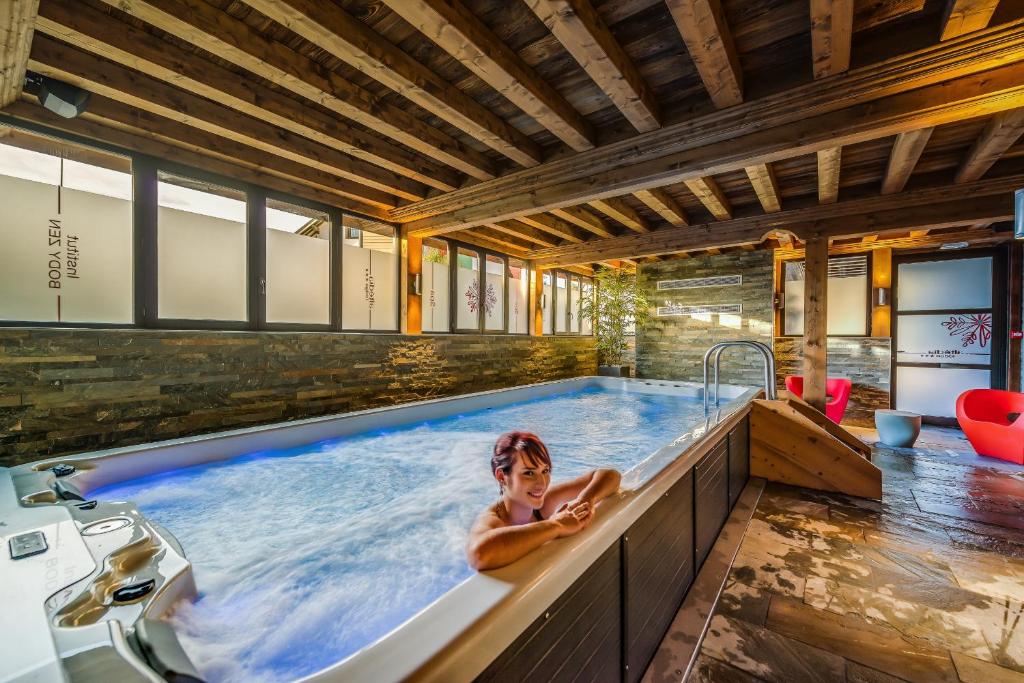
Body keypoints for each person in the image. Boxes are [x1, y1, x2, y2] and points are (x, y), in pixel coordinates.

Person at [466, 431, 621, 571]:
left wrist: (584, 500)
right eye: (528, 473)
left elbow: (610, 475)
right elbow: (480, 554)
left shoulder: (543, 503)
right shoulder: (493, 520)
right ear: (501, 477)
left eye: (545, 471)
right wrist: (556, 525)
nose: (542, 483)